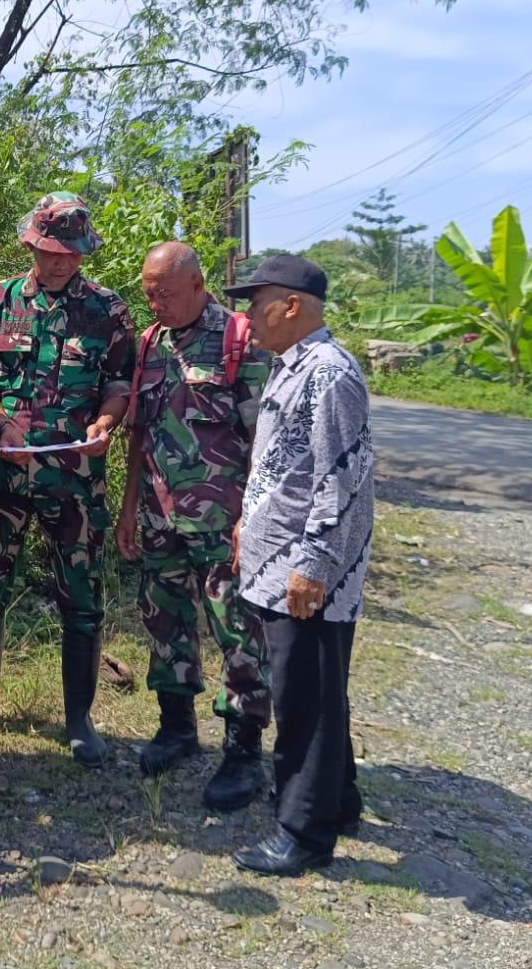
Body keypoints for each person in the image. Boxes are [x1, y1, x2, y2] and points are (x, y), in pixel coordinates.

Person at [0, 192, 135, 766]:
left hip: (75, 480)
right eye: (50, 251)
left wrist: (105, 423)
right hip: (3, 472)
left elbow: (120, 384)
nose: (60, 263)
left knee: (82, 596)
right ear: (30, 243)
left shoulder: (108, 310)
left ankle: (80, 719)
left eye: (71, 254)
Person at [223, 254, 375, 875]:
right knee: (319, 690)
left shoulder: (330, 374)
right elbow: (284, 469)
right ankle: (336, 803)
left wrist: (314, 563)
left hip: (305, 573)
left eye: (256, 305)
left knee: (303, 702)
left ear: (291, 306)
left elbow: (344, 480)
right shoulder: (294, 367)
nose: (247, 318)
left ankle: (302, 834)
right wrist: (246, 523)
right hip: (277, 560)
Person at [115, 242, 273, 810]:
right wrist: (129, 505)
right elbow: (139, 431)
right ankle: (176, 727)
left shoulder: (241, 339)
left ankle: (243, 750)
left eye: (165, 291)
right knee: (164, 620)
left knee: (237, 629)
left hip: (223, 521)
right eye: (148, 292)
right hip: (161, 517)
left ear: (199, 284)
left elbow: (264, 442)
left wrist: (252, 520)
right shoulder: (151, 345)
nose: (154, 301)